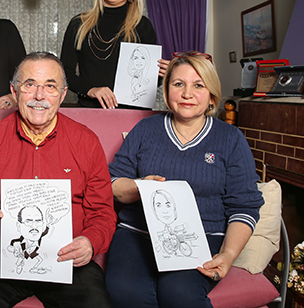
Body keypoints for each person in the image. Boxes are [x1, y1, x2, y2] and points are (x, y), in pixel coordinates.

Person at [0, 51, 117, 308]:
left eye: (50, 86)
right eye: (30, 84)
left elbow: (103, 212)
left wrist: (91, 241)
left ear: (63, 94)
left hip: (66, 254)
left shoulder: (85, 142)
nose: (39, 96)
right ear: (14, 91)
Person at [105, 51, 264, 308]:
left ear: (212, 95)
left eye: (198, 85)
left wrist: (227, 254)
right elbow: (114, 182)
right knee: (125, 292)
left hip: (204, 234)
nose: (187, 93)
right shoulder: (145, 129)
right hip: (138, 232)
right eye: (178, 84)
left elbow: (244, 206)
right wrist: (139, 187)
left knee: (179, 293)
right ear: (167, 90)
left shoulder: (230, 139)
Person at [60, 0, 168, 109]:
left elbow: (148, 83)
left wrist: (161, 73)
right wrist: (90, 90)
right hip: (90, 111)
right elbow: (64, 73)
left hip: (132, 114)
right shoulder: (79, 23)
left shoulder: (142, 26)